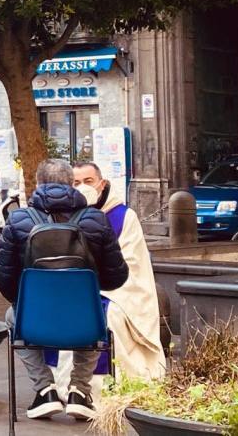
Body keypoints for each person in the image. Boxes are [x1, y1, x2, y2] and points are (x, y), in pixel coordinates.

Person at [0, 159, 128, 421]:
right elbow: (117, 276)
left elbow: (3, 275)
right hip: (84, 321)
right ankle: (80, 390)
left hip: (34, 320)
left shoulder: (18, 219)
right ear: (71, 184)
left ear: (38, 184)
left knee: (12, 317)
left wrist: (21, 302)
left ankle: (45, 389)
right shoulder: (96, 220)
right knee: (95, 314)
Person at [72, 162, 166, 380]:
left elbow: (132, 263)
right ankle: (67, 383)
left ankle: (104, 382)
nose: (82, 187)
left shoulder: (123, 217)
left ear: (102, 184)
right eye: (76, 183)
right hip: (75, 289)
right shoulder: (66, 215)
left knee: (108, 316)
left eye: (88, 182)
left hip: (116, 291)